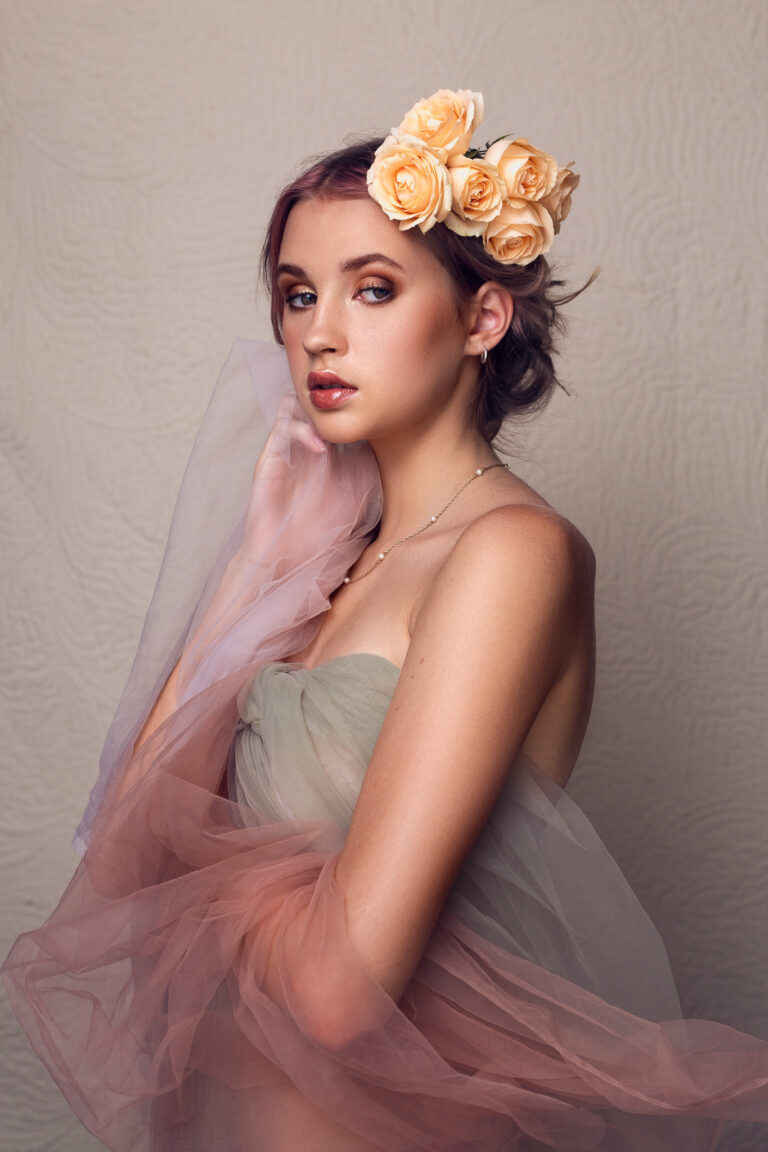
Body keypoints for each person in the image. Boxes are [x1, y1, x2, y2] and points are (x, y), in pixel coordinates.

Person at [2, 88, 768, 1152]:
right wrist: (255, 577)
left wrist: (204, 896)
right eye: (297, 293)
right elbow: (121, 865)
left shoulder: (511, 554)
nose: (319, 332)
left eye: (371, 289)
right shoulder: (328, 564)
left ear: (481, 318)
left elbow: (338, 993)